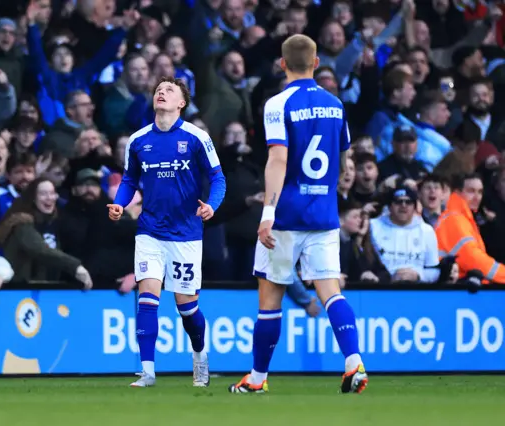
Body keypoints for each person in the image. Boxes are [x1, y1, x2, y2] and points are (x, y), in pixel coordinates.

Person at [228, 34, 368, 394]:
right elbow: (343, 158)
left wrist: (267, 213)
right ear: (317, 63)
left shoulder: (278, 103)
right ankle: (354, 363)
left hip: (287, 215)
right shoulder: (336, 105)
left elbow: (278, 159)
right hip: (323, 215)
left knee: (270, 299)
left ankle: (257, 379)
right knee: (331, 292)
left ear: (282, 63)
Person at [107, 76, 226, 388]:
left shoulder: (197, 137)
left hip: (186, 233)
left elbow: (218, 178)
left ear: (181, 103)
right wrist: (120, 204)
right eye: (158, 89)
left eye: (169, 90)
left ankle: (200, 357)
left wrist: (211, 205)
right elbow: (130, 180)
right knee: (147, 298)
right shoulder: (138, 140)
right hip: (149, 230)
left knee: (187, 307)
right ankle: (147, 371)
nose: (161, 92)